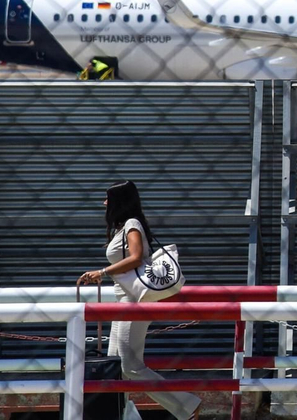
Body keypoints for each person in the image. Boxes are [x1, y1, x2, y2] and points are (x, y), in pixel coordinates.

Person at [76, 180, 200, 420]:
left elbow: (134, 258)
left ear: (119, 202)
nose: (104, 204)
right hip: (125, 300)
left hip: (134, 302)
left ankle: (187, 405)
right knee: (115, 368)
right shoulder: (125, 227)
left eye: (108, 199)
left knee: (130, 367)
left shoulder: (132, 225)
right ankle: (120, 415)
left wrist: (102, 272)